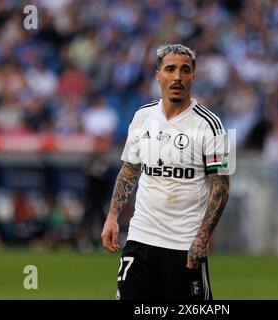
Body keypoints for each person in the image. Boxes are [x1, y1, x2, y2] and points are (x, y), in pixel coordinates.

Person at [101, 44, 230, 300]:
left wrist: (202, 237)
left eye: (185, 70)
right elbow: (130, 170)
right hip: (140, 239)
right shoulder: (142, 117)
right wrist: (112, 216)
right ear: (158, 75)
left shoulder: (210, 126)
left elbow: (221, 186)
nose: (177, 77)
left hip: (184, 245)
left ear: (193, 76)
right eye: (170, 69)